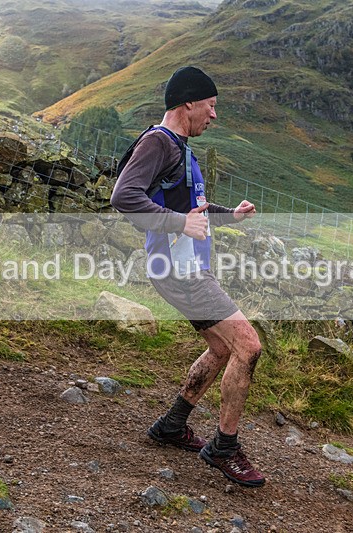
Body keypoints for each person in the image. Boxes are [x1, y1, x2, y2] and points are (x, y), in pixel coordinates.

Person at [111, 66, 265, 487]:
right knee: (248, 347)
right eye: (211, 107)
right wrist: (179, 224)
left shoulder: (180, 147)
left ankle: (172, 425)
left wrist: (230, 215)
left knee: (220, 347)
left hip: (185, 269)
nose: (214, 116)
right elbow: (123, 197)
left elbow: (193, 209)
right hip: (180, 271)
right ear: (188, 104)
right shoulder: (159, 143)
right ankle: (224, 448)